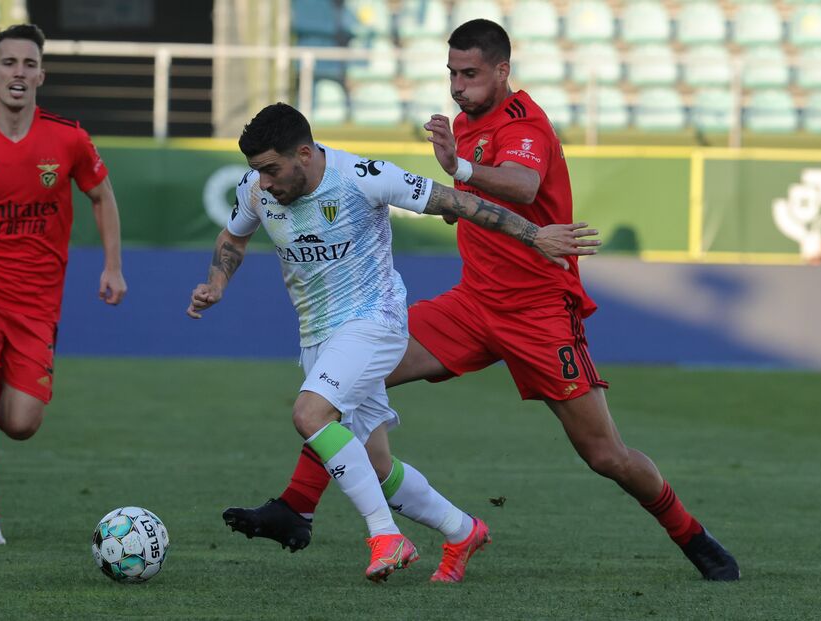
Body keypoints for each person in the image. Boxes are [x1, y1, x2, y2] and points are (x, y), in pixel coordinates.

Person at [220, 19, 740, 582]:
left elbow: (519, 185)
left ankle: (690, 533)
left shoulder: (525, 124)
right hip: (472, 306)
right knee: (341, 379)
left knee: (605, 455)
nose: (457, 86)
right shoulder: (465, 125)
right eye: (451, 73)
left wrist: (459, 171)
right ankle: (299, 506)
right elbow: (460, 202)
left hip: (540, 311)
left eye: (469, 74)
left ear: (501, 70)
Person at [187, 102, 598, 582]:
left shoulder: (364, 176)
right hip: (318, 336)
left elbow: (458, 203)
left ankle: (385, 535)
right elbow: (233, 238)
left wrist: (534, 235)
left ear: (304, 153)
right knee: (376, 464)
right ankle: (463, 530)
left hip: (373, 323)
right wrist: (217, 282)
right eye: (257, 172)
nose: (266, 183)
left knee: (310, 414)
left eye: (272, 170)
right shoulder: (256, 190)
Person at [0, 24, 127, 545]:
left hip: (37, 303)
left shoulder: (69, 138)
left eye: (28, 64)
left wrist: (113, 266)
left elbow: (102, 196)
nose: (18, 73)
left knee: (22, 423)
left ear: (41, 75)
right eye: (8, 63)